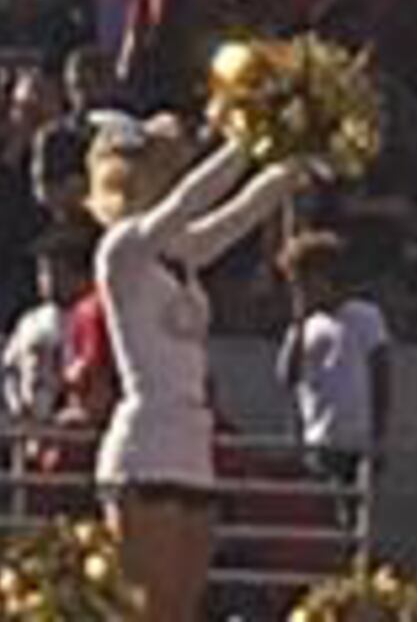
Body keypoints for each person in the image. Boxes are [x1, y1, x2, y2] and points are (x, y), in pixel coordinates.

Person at [89, 122, 293, 622]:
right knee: (148, 612)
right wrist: (250, 138)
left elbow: (237, 217)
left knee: (184, 611)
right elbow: (188, 200)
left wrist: (292, 166)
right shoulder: (122, 250)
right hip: (145, 446)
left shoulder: (181, 255)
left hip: (192, 444)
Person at [279, 228, 394, 524]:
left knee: (354, 515)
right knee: (321, 514)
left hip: (356, 437)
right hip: (319, 438)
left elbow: (381, 372)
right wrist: (298, 327)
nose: (301, 292)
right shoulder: (305, 327)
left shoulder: (364, 316)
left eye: (306, 283)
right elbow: (286, 377)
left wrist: (379, 434)